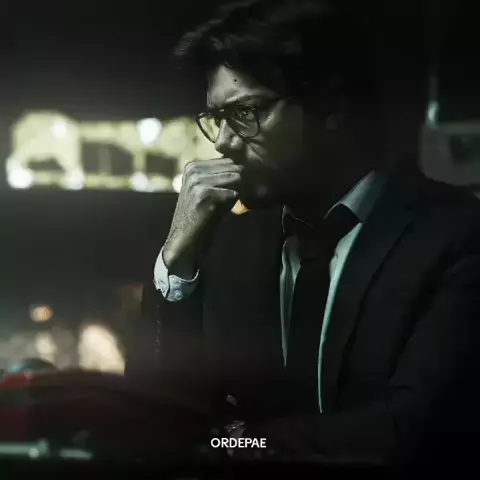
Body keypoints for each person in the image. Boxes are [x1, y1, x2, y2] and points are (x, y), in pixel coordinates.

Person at [127, 0, 480, 466]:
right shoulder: (227, 245)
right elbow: (154, 424)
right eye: (218, 119)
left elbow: (412, 429)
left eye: (246, 112)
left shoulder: (456, 235)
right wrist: (176, 260)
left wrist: (240, 443)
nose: (225, 143)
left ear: (332, 106)